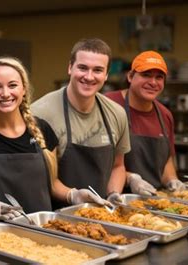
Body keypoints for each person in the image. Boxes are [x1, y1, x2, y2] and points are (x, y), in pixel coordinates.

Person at [0, 56, 111, 216]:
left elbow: (52, 184)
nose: (5, 93)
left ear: (23, 89)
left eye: (12, 85)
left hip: (41, 231)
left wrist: (74, 195)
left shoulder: (43, 129)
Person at [32, 38, 131, 205]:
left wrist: (113, 193)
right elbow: (37, 177)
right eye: (82, 68)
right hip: (53, 218)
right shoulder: (40, 114)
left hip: (100, 214)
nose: (89, 76)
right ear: (70, 68)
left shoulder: (116, 114)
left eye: (98, 70)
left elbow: (118, 166)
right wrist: (73, 196)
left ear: (106, 75)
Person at [105, 51, 185, 195]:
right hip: (112, 198)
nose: (153, 82)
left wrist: (172, 181)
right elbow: (96, 160)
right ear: (130, 76)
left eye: (159, 77)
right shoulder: (108, 105)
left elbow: (166, 161)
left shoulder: (165, 115)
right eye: (146, 75)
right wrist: (131, 178)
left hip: (152, 201)